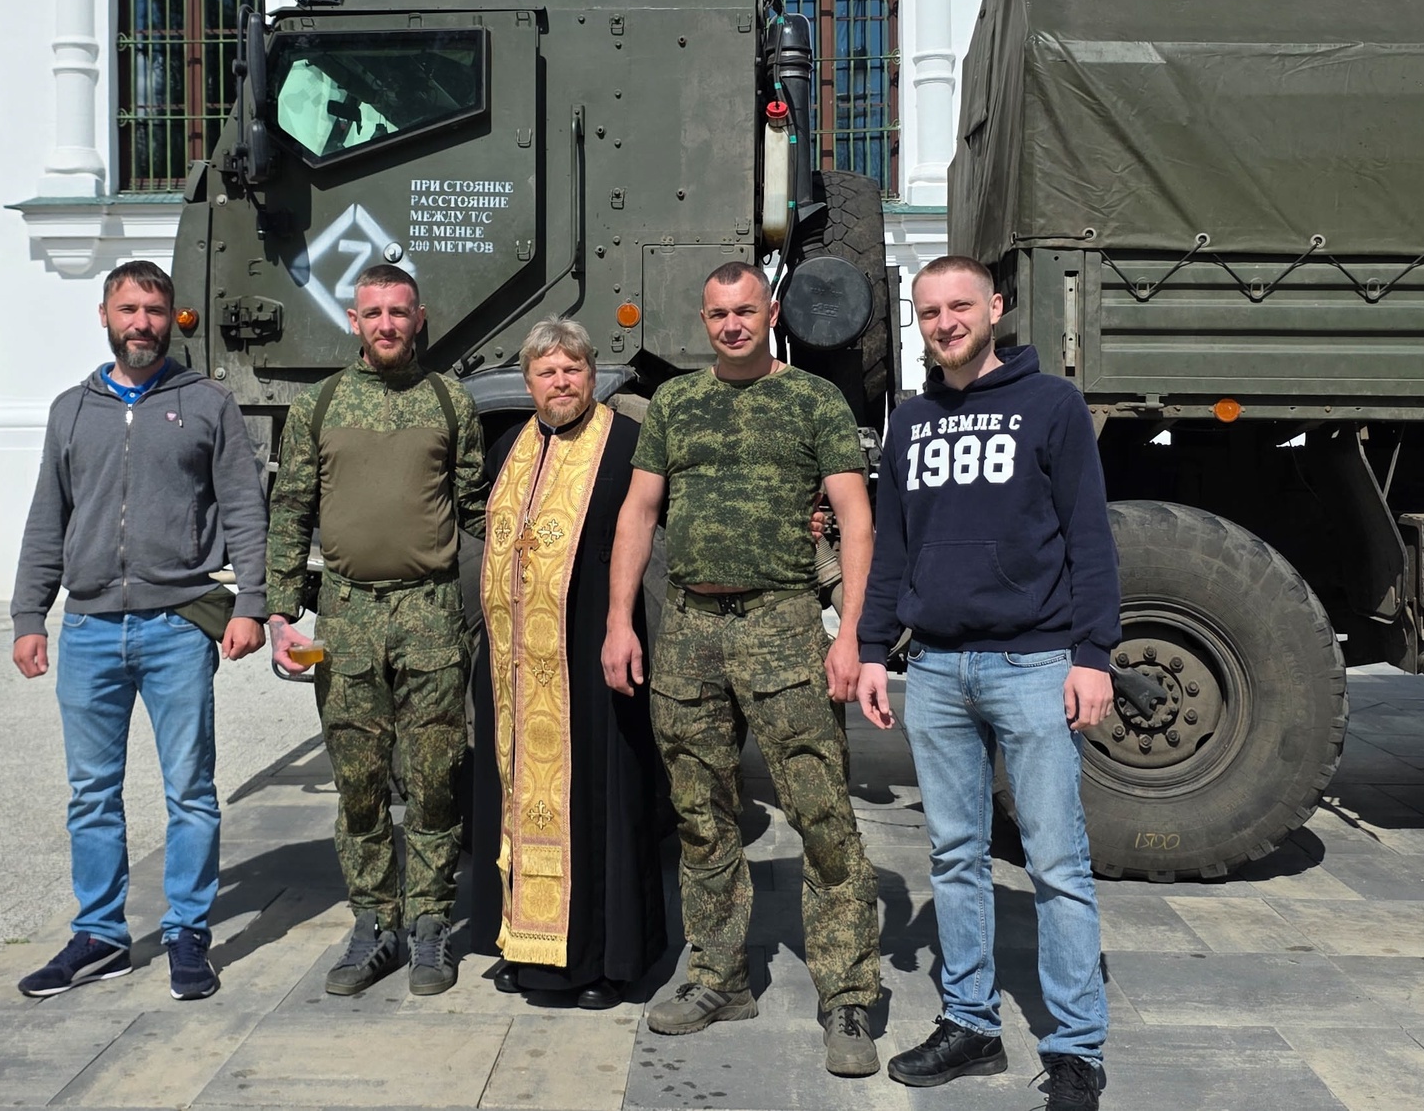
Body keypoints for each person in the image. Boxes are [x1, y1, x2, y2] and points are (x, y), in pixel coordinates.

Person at [854, 254, 1121, 1111]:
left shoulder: (1052, 405)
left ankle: (1075, 1050)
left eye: (959, 306)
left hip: (1034, 664)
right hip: (935, 668)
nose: (945, 323)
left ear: (995, 307)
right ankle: (970, 1024)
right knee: (955, 856)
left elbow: (1089, 536)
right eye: (929, 311)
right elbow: (892, 549)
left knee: (1057, 861)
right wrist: (871, 649)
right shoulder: (911, 421)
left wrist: (1093, 654)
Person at [605, 262, 884, 1077]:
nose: (733, 325)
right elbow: (639, 513)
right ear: (704, 320)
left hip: (783, 624)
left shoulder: (814, 401)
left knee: (822, 813)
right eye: (719, 314)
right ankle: (718, 976)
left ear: (772, 312)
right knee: (701, 815)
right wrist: (620, 622)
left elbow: (856, 519)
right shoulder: (676, 405)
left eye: (746, 311)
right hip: (689, 629)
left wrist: (852, 634)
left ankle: (847, 995)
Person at [9, 259, 269, 1003]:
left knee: (190, 790)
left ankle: (188, 932)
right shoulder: (71, 410)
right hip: (89, 629)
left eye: (154, 310)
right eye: (128, 309)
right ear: (105, 315)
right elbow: (47, 518)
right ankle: (100, 936)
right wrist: (29, 615)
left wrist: (250, 603)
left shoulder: (207, 403)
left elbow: (243, 508)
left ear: (171, 317)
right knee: (92, 794)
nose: (141, 324)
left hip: (177, 626)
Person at [265, 263, 486, 996]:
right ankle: (374, 925)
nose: (387, 324)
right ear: (353, 321)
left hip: (430, 615)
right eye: (373, 312)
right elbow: (291, 509)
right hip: (347, 616)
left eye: (398, 311)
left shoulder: (450, 401)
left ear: (419, 318)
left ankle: (430, 925)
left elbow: (479, 509)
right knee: (359, 785)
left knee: (434, 781)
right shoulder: (320, 405)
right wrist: (279, 614)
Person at [466, 318, 670, 1009]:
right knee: (517, 799)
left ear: (592, 375)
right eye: (547, 372)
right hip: (518, 665)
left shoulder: (628, 442)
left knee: (602, 796)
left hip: (597, 647)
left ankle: (607, 960)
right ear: (528, 383)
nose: (561, 382)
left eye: (573, 369)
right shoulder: (511, 447)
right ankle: (528, 948)